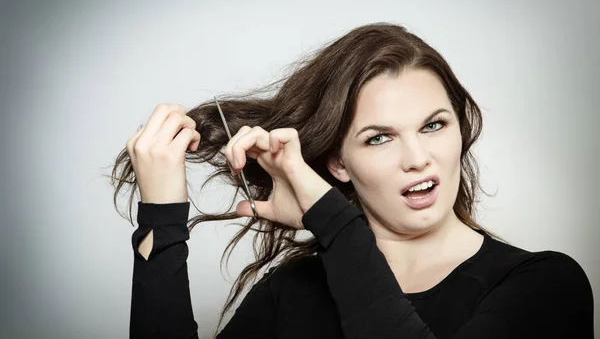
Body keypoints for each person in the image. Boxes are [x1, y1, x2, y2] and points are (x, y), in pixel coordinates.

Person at [112, 23, 595, 338]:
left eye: (433, 125)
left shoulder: (544, 285)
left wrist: (331, 220)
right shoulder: (294, 290)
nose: (418, 158)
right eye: (379, 138)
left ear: (460, 128)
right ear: (338, 164)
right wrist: (162, 215)